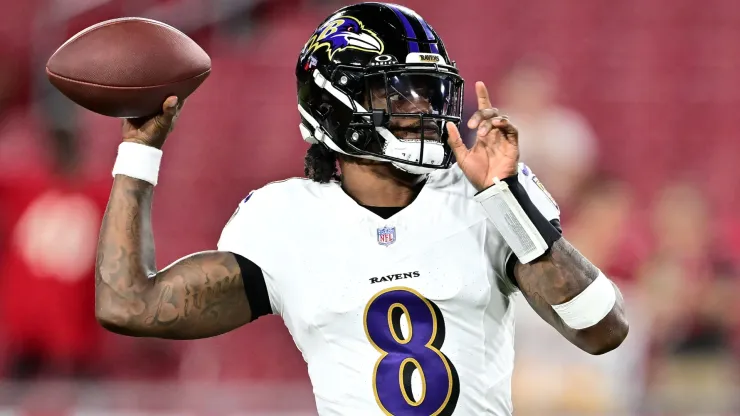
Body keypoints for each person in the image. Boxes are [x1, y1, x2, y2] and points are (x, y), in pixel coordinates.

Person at [94, 3, 628, 415]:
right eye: (398, 94)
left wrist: (508, 200)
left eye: (427, 91)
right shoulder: (285, 219)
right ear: (332, 104)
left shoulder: (487, 197)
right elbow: (129, 305)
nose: (422, 108)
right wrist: (140, 148)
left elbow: (602, 330)